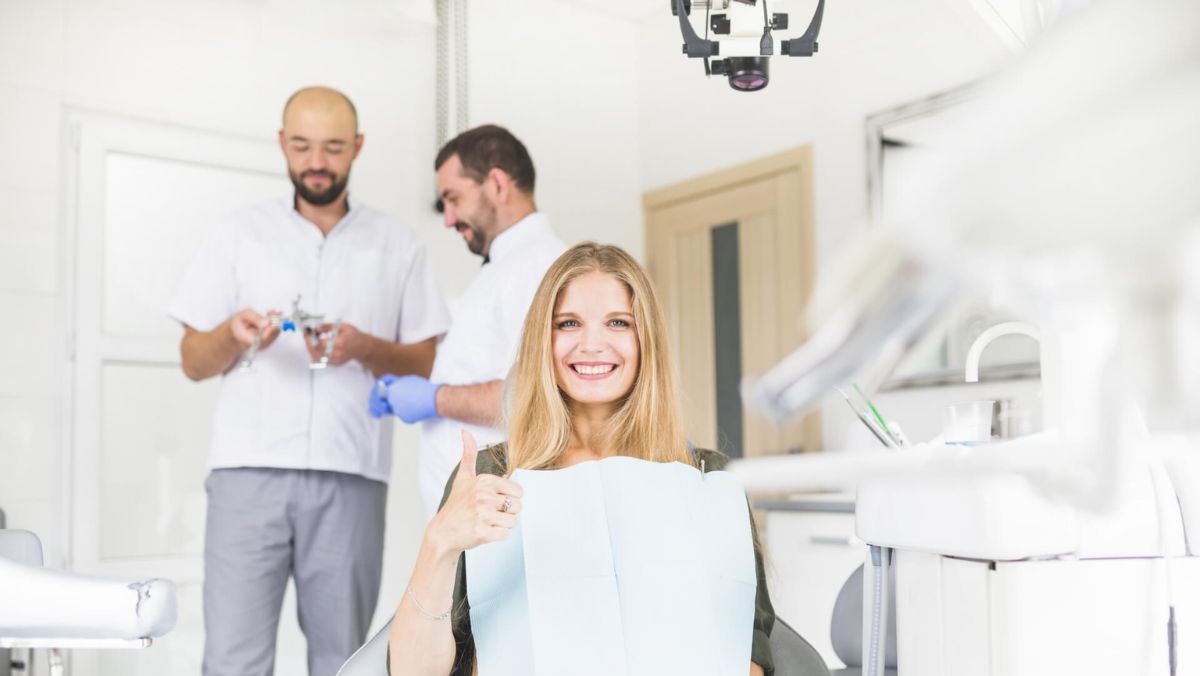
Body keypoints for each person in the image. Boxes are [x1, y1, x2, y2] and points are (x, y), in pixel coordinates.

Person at [383, 243, 775, 676]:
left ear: (647, 340)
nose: (592, 344)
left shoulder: (706, 478)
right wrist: (440, 543)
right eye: (568, 323)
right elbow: (412, 673)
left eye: (618, 323)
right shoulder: (491, 479)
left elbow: (746, 658)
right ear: (542, 341)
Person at [169, 86, 450, 676]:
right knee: (232, 660)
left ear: (357, 148)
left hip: (351, 477)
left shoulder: (397, 243)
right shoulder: (239, 233)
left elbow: (428, 363)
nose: (316, 162)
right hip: (247, 474)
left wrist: (363, 347)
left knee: (345, 660)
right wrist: (234, 334)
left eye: (331, 147)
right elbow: (193, 360)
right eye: (301, 146)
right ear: (281, 145)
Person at [369, 125, 567, 517]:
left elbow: (532, 395)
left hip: (497, 512)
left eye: (453, 198)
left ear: (496, 183)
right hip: (477, 517)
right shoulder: (505, 265)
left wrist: (433, 398)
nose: (447, 219)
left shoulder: (536, 266)